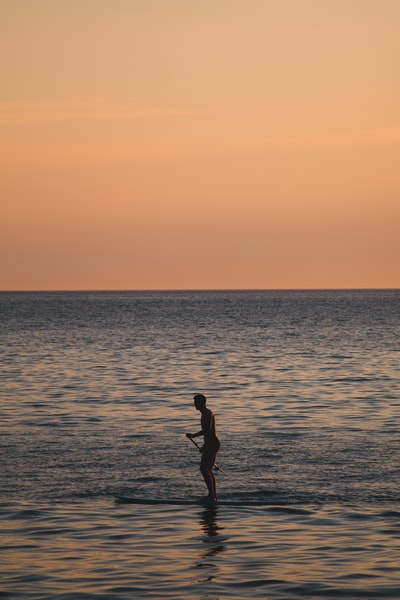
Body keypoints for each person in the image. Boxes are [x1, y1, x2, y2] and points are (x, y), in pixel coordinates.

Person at [186, 394, 220, 501]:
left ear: (202, 403)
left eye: (196, 402)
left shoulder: (206, 414)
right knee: (208, 469)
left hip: (212, 443)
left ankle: (211, 496)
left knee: (204, 469)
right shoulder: (206, 413)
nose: (194, 404)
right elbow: (208, 433)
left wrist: (193, 436)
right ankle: (213, 495)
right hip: (212, 443)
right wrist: (204, 446)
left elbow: (207, 431)